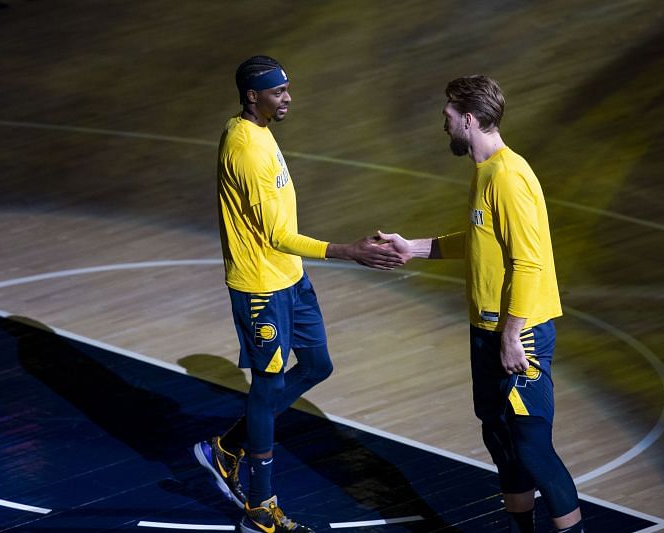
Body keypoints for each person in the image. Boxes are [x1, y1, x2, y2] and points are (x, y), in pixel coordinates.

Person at [193, 55, 404, 533]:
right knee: (266, 390)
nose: (288, 97)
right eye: (277, 91)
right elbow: (275, 235)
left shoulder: (261, 134)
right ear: (252, 96)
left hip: (291, 279)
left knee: (316, 365)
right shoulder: (245, 148)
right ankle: (259, 509)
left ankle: (224, 449)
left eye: (287, 88)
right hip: (261, 286)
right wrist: (349, 250)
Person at [379, 75, 584, 533]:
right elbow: (478, 241)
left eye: (448, 115)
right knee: (500, 439)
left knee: (532, 446)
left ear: (468, 119)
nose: (444, 123)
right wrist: (412, 248)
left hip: (518, 332)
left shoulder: (509, 178)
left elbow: (528, 264)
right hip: (486, 330)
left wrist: (512, 336)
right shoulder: (485, 173)